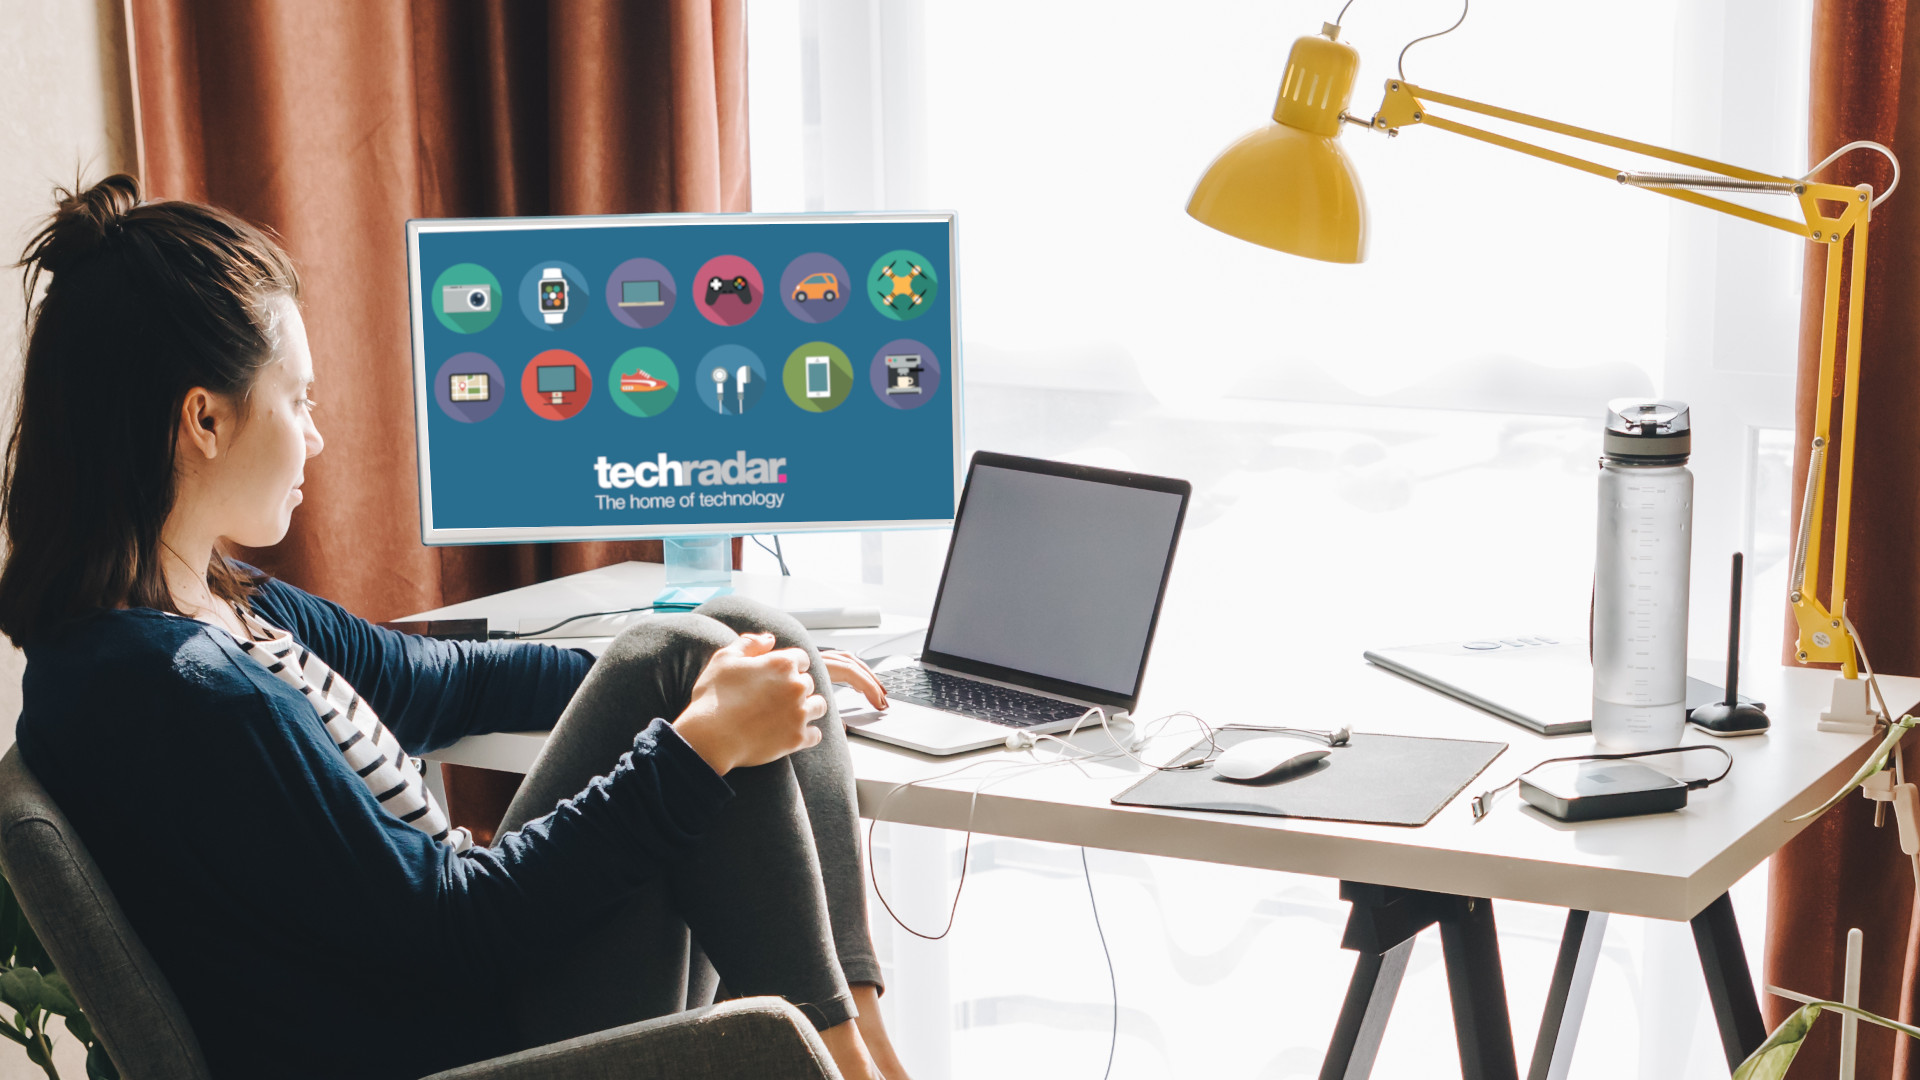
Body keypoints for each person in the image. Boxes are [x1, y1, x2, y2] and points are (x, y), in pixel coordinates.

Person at [0, 175, 914, 1080]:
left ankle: (860, 1042)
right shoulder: (187, 695)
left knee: (744, 632)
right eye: (300, 401)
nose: (316, 437)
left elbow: (443, 681)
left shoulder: (206, 609)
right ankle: (841, 1067)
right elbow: (457, 933)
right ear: (203, 418)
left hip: (472, 988)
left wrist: (713, 683)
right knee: (693, 661)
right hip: (475, 1046)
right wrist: (699, 741)